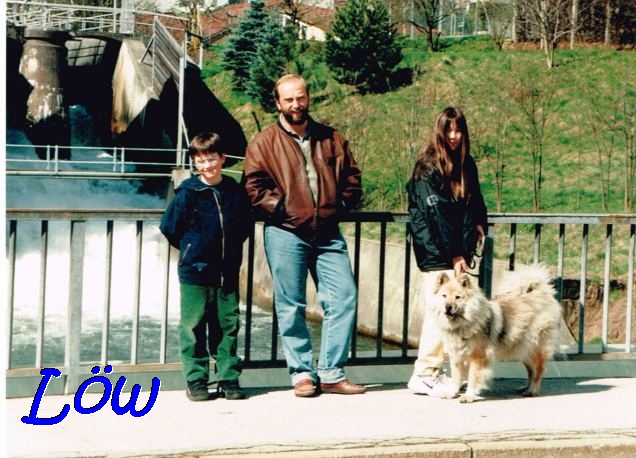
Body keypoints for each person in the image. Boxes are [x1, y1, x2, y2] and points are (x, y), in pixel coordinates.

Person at [243, 74, 366, 397]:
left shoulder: (331, 138)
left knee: (344, 298)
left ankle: (330, 372)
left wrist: (338, 206)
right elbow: (253, 186)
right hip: (285, 232)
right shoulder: (264, 142)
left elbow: (353, 179)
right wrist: (281, 207)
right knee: (290, 304)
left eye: (300, 97)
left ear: (308, 97)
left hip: (327, 232)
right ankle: (301, 374)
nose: (296, 105)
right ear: (278, 103)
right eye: (289, 100)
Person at [160, 132, 252, 401]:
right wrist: (194, 249)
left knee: (227, 324)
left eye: (211, 159)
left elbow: (244, 225)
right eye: (200, 161)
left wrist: (230, 250)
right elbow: (170, 228)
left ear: (223, 159)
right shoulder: (188, 193)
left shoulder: (234, 191)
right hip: (195, 271)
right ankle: (196, 379)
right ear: (194, 163)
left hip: (227, 270)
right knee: (193, 325)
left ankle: (228, 378)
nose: (206, 166)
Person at [405, 106, 488, 396]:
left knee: (450, 313)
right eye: (448, 130)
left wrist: (480, 223)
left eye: (458, 130)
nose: (453, 136)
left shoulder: (466, 163)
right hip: (436, 250)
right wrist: (455, 254)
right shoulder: (427, 167)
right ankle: (425, 373)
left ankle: (438, 372)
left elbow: (474, 198)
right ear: (439, 132)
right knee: (439, 313)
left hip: (455, 250)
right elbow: (436, 216)